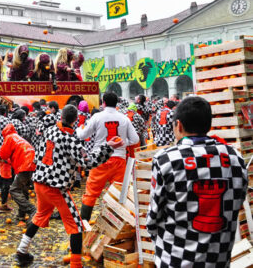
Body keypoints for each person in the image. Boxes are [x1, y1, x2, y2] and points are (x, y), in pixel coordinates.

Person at [15, 105, 123, 267]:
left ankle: (22, 250)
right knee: (76, 225)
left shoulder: (49, 131)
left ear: (61, 117)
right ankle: (76, 264)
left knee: (39, 216)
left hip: (40, 182)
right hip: (55, 187)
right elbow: (88, 162)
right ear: (75, 121)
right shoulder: (70, 140)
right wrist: (108, 147)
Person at [147, 96, 247, 267]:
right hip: (218, 258)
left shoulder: (167, 159)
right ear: (208, 125)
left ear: (179, 125)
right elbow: (238, 200)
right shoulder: (234, 157)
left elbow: (153, 217)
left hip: (175, 259)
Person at [76, 92, 139, 222]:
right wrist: (120, 143)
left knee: (91, 194)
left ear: (103, 103)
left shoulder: (97, 117)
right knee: (119, 194)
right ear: (117, 103)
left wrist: (78, 129)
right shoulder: (124, 118)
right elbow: (135, 139)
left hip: (99, 159)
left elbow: (82, 135)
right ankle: (116, 224)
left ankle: (84, 225)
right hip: (119, 159)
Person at [0, 124, 36, 222]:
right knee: (23, 190)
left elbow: (3, 154)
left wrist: (0, 158)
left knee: (14, 190)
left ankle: (31, 209)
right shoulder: (17, 137)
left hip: (24, 164)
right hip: (31, 162)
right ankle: (21, 215)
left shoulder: (9, 137)